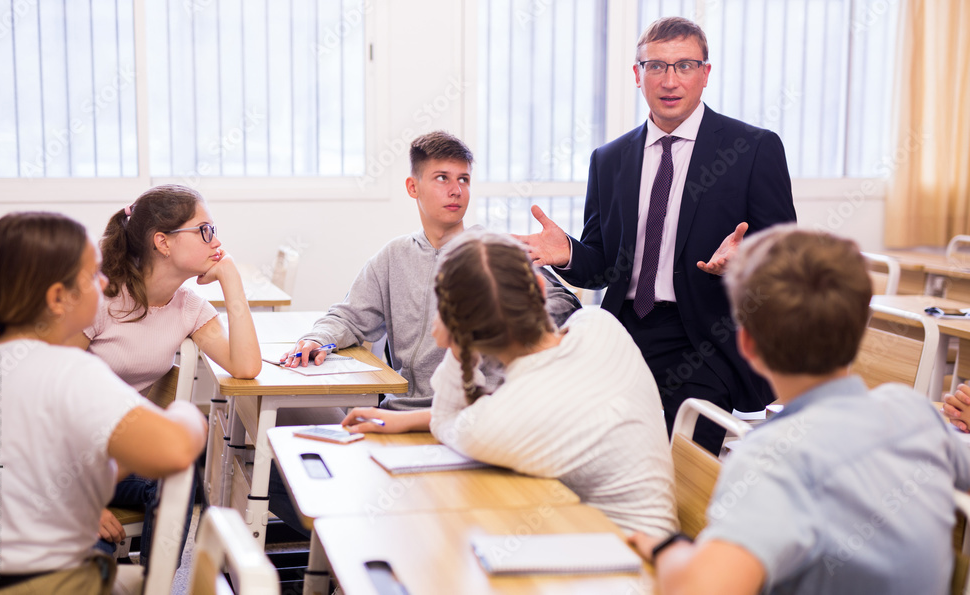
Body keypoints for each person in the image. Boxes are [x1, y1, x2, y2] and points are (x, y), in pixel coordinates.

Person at [628, 226, 970, 594]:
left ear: (747, 344)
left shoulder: (771, 458)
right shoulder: (913, 413)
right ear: (862, 330)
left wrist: (667, 548)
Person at [516, 17, 796, 454]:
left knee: (676, 462)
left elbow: (788, 258)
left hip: (706, 337)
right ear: (637, 75)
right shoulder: (608, 160)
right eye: (656, 67)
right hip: (624, 329)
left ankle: (676, 523)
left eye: (684, 65)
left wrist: (749, 261)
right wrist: (569, 252)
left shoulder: (753, 148)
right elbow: (603, 266)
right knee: (583, 444)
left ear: (705, 74)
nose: (670, 80)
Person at [344, 232, 677, 536]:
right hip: (648, 547)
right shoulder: (600, 325)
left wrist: (458, 351)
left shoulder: (502, 420)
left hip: (625, 566)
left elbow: (450, 420)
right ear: (541, 286)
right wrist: (408, 418)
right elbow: (521, 414)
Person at [0, 212, 206, 594]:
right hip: (46, 583)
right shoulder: (68, 369)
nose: (104, 282)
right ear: (58, 298)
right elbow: (175, 449)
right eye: (94, 273)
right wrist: (186, 413)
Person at [282, 131, 581, 410]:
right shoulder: (393, 256)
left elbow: (566, 306)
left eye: (464, 180)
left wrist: (508, 315)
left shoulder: (495, 251)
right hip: (399, 409)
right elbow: (349, 316)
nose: (456, 191)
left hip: (477, 413)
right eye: (442, 178)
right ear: (413, 187)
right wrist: (319, 338)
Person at [66, 184, 263, 562]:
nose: (216, 241)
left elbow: (245, 365)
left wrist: (230, 279)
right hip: (57, 462)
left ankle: (153, 584)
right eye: (204, 230)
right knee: (93, 557)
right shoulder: (101, 299)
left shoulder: (187, 307)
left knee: (179, 477)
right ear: (163, 242)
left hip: (114, 459)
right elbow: (45, 399)